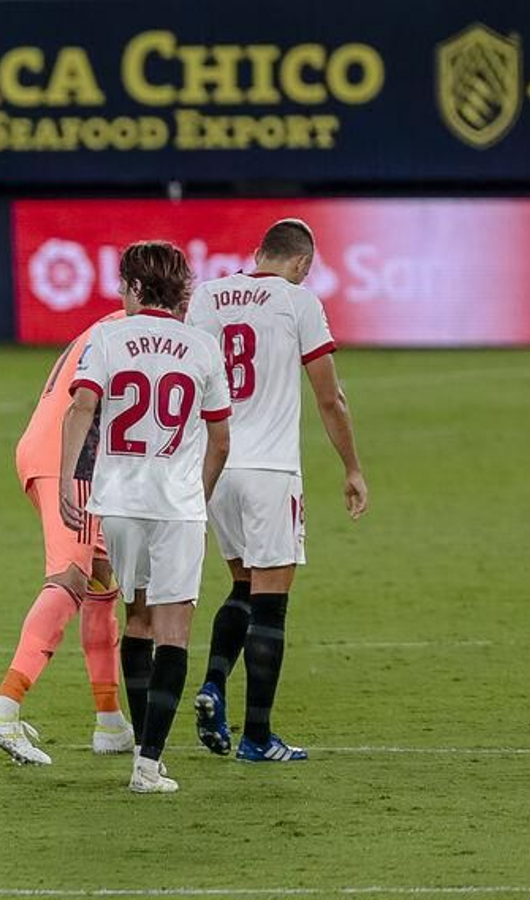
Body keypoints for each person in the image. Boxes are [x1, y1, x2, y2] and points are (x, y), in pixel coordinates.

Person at [186, 219, 368, 762]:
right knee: (271, 605)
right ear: (301, 265)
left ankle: (213, 683)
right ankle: (257, 737)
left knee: (241, 586)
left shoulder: (208, 297)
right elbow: (329, 397)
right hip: (270, 471)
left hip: (213, 467)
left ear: (257, 252)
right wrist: (352, 468)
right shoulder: (298, 300)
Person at [58, 241, 231, 794]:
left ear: (135, 288)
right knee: (174, 631)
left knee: (136, 618)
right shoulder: (202, 347)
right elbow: (220, 441)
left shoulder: (107, 338)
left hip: (119, 501)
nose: (117, 293)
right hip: (176, 505)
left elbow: (82, 406)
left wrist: (68, 480)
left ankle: (138, 744)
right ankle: (149, 764)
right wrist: (197, 495)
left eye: (121, 284)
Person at [0, 308, 132, 766]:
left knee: (101, 582)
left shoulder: (109, 323)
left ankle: (110, 722)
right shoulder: (132, 331)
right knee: (69, 578)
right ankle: (4, 706)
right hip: (71, 459)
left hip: (51, 448)